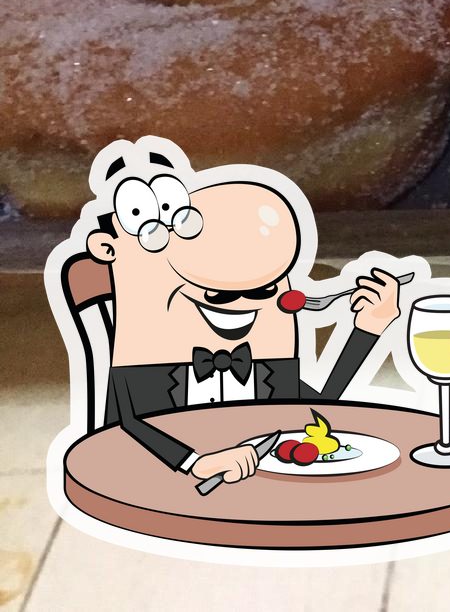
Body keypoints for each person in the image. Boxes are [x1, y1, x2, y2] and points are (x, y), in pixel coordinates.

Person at [82, 138, 401, 483]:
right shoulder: (147, 364)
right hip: (154, 492)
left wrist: (368, 328)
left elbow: (319, 416)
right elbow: (123, 431)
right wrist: (193, 462)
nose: (243, 303)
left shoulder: (265, 363)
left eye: (265, 289)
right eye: (218, 293)